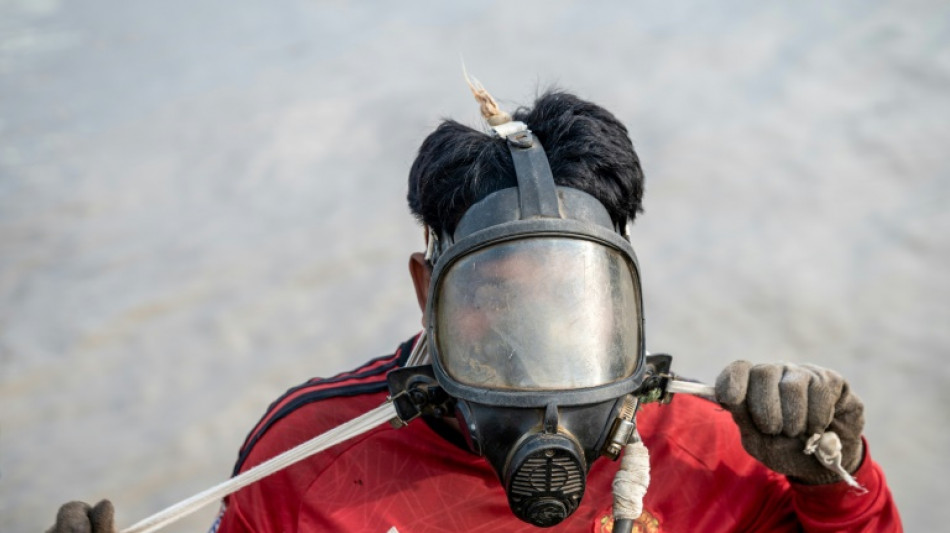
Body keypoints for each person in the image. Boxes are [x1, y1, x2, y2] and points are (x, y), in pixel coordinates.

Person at [48, 89, 902, 533]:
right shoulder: (306, 462)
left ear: (621, 294)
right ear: (429, 290)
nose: (536, 345)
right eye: (494, 298)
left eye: (567, 295)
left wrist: (833, 479)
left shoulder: (722, 451)